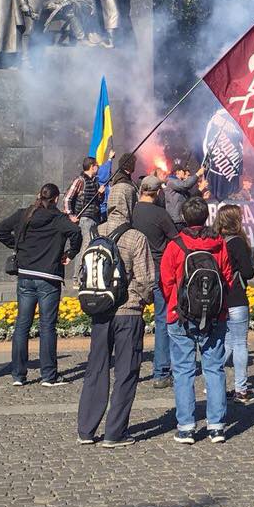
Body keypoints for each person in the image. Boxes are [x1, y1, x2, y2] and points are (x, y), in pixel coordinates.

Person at [77, 153, 155, 446]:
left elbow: (80, 274)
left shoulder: (94, 232)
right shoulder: (136, 237)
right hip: (129, 313)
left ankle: (86, 429)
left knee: (95, 369)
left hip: (99, 312)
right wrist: (140, 299)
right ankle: (115, 432)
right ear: (131, 203)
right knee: (126, 371)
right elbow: (148, 280)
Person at [160, 197, 234, 444]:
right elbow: (227, 277)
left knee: (183, 370)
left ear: (183, 217)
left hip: (180, 316)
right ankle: (216, 426)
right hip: (215, 314)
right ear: (206, 217)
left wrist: (176, 306)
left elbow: (167, 281)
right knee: (214, 368)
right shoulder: (218, 243)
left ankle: (187, 427)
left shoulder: (175, 245)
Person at [0, 184, 81, 387]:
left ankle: (18, 375)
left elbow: (0, 230)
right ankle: (49, 376)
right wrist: (69, 253)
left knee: (22, 326)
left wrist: (19, 247)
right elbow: (76, 233)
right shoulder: (59, 219)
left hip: (25, 275)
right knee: (47, 326)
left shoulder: (25, 214)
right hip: (48, 277)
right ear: (57, 199)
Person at [131, 174, 179, 388]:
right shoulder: (161, 214)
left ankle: (129, 370)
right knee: (162, 321)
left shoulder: (131, 212)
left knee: (132, 319)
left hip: (134, 272)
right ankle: (160, 373)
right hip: (159, 271)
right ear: (157, 192)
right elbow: (176, 240)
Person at [214, 204, 254, 402]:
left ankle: (213, 380)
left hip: (219, 299)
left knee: (227, 342)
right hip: (236, 297)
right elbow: (248, 272)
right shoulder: (237, 242)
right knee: (239, 343)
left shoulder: (214, 241)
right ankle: (241, 388)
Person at [63, 156, 105, 285]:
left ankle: (85, 276)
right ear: (92, 166)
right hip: (84, 219)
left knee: (90, 247)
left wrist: (100, 194)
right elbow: (67, 199)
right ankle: (78, 278)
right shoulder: (80, 181)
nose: (98, 168)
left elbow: (96, 202)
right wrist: (71, 215)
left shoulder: (95, 182)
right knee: (85, 247)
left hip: (94, 219)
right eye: (97, 165)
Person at [161, 165, 199, 230]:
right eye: (183, 171)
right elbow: (185, 185)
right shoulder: (171, 181)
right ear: (178, 172)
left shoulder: (177, 183)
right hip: (176, 220)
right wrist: (197, 174)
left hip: (181, 219)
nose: (184, 173)